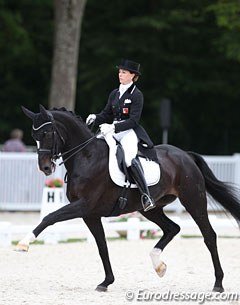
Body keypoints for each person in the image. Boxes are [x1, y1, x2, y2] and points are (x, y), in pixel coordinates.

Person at [86, 59, 156, 212]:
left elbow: (133, 120)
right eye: (119, 72)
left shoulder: (137, 95)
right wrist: (96, 117)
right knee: (94, 148)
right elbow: (106, 114)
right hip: (112, 131)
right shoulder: (115, 93)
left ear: (133, 75)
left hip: (128, 132)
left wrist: (114, 126)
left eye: (124, 72)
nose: (120, 74)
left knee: (129, 159)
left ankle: (146, 195)